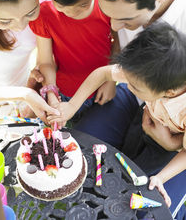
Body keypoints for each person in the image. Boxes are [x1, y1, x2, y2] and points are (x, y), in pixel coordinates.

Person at [70, 0, 186, 218]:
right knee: (76, 155)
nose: (113, 25)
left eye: (127, 20)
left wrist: (172, 144)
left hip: (176, 133)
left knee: (150, 209)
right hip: (138, 94)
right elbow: (111, 68)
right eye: (108, 13)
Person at [47, 21, 186, 212]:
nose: (128, 86)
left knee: (134, 188)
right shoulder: (147, 73)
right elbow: (103, 74)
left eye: (135, 87)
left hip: (167, 153)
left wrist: (161, 177)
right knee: (117, 164)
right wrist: (71, 105)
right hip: (145, 120)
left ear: (169, 92)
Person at [29, 0, 138, 136]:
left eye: (82, 5)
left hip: (100, 93)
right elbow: (46, 61)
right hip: (62, 91)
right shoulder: (45, 16)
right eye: (62, 6)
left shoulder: (106, 7)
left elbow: (116, 43)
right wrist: (51, 93)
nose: (72, 13)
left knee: (91, 141)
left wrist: (110, 80)